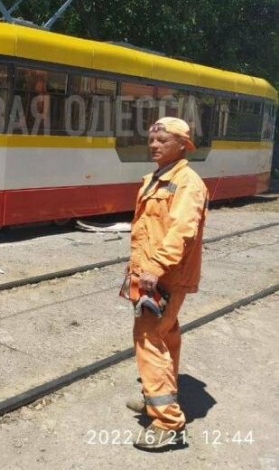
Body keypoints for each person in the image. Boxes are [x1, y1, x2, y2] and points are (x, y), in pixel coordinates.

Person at [123, 117, 208, 450]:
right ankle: (154, 398)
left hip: (165, 276)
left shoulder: (188, 183)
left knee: (149, 338)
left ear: (182, 145)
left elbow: (181, 231)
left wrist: (156, 266)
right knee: (166, 337)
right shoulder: (154, 179)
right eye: (152, 139)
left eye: (162, 140)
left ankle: (168, 423)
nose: (154, 145)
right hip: (149, 273)